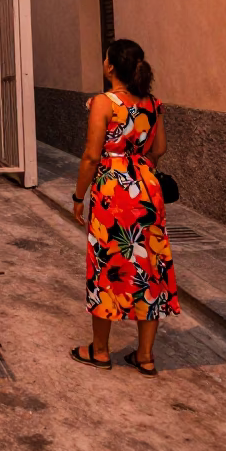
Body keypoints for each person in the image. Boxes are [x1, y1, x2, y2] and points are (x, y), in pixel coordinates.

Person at [70, 38, 180, 376]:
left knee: (107, 266)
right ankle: (145, 356)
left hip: (112, 192)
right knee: (150, 269)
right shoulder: (153, 103)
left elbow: (91, 155)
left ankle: (100, 351)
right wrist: (137, 165)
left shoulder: (104, 103)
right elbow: (158, 148)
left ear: (111, 67)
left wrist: (78, 196)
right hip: (147, 189)